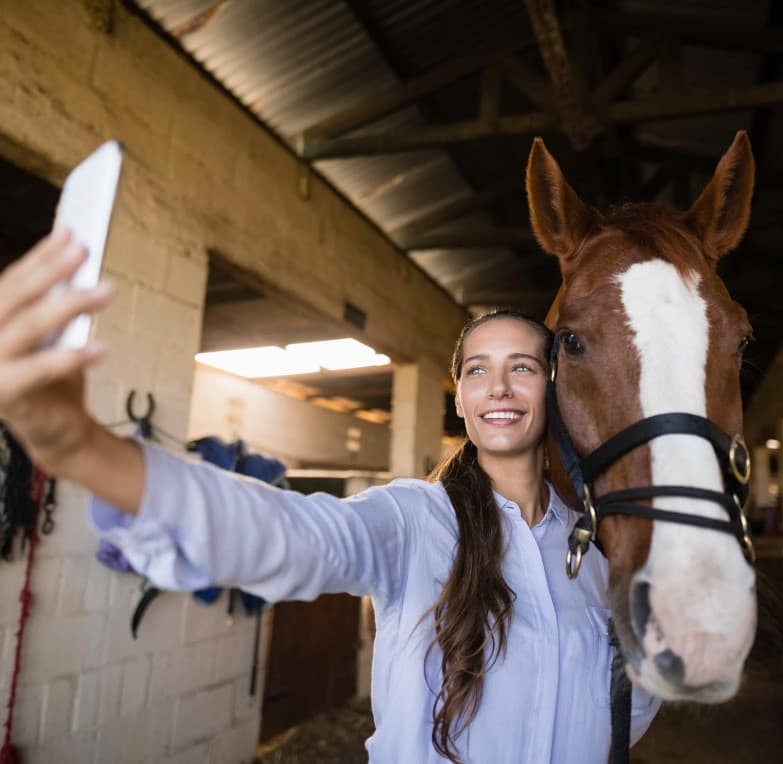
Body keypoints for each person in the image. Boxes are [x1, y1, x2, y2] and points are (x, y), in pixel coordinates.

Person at [0, 230, 659, 763]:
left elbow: (624, 702)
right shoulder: (413, 519)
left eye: (523, 368)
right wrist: (82, 449)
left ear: (557, 389)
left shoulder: (595, 552)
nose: (501, 388)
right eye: (478, 371)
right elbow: (289, 534)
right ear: (459, 400)